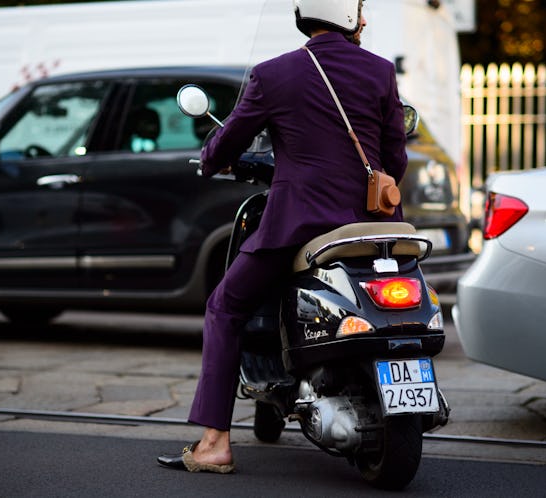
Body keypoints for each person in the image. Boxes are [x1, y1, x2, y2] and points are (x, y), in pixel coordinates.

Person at [157, 0, 407, 473]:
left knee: (225, 306)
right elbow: (395, 155)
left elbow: (230, 140)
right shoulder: (379, 71)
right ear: (347, 16)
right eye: (360, 10)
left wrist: (212, 158)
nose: (366, 19)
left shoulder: (274, 74)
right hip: (371, 225)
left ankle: (214, 443)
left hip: (299, 224)